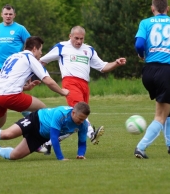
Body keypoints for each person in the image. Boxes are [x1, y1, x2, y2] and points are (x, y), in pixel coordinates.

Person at [0, 36, 69, 152]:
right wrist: (63, 92)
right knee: (43, 111)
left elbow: (8, 80)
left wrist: (26, 87)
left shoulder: (13, 56)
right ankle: (34, 143)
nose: (41, 53)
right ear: (35, 49)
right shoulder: (30, 58)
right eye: (41, 50)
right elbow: (48, 81)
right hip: (9, 96)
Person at [39, 26, 127, 154]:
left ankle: (48, 144)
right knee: (80, 112)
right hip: (70, 83)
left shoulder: (89, 50)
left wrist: (116, 63)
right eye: (76, 38)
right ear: (70, 36)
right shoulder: (61, 47)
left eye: (81, 39)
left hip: (84, 86)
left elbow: (103, 67)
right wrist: (40, 75)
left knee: (77, 121)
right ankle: (92, 134)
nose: (79, 41)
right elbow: (41, 61)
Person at [134, 0, 170, 159]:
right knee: (161, 114)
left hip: (148, 72)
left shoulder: (146, 22)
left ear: (153, 9)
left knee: (167, 106)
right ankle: (141, 147)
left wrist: (141, 54)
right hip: (165, 72)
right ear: (168, 8)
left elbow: (139, 44)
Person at [0, 101, 90, 162]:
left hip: (40, 137)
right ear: (73, 112)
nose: (81, 122)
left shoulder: (83, 124)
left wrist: (80, 154)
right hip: (35, 120)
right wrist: (61, 158)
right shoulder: (61, 114)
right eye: (79, 119)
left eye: (83, 120)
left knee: (14, 156)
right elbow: (54, 136)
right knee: (8, 134)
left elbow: (82, 142)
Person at [0, 4, 30, 82]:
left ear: (14, 15)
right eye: (6, 14)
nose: (8, 16)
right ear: (1, 15)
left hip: (15, 67)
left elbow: (30, 45)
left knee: (13, 92)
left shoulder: (20, 29)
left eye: (10, 14)